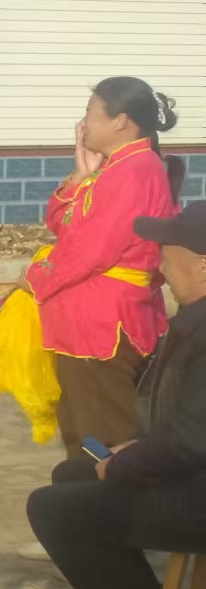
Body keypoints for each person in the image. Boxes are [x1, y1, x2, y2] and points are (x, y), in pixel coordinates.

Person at [28, 202, 206, 589]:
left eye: (167, 252)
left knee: (53, 508)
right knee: (73, 473)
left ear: (203, 266)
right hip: (189, 473)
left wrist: (126, 463)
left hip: (196, 495)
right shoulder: (194, 319)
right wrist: (136, 450)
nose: (159, 266)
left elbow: (192, 439)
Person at [26, 78, 181, 460]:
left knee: (104, 437)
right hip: (90, 325)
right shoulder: (119, 168)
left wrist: (36, 278)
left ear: (120, 121)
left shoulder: (134, 171)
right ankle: (87, 488)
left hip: (103, 329)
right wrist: (82, 176)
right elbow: (62, 224)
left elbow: (89, 251)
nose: (82, 125)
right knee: (82, 430)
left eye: (90, 114)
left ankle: (110, 493)